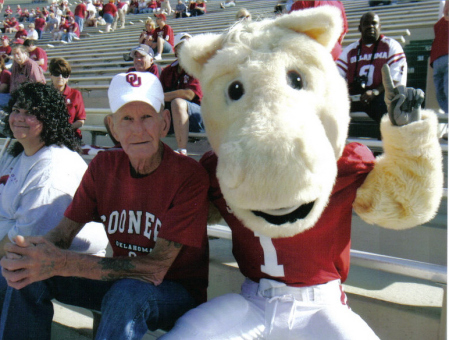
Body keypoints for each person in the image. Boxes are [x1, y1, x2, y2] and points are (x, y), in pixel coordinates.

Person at [0, 72, 209, 340]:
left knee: (127, 294)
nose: (137, 129)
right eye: (127, 119)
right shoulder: (104, 166)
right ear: (112, 126)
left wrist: (63, 262)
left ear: (164, 122)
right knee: (27, 271)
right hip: (119, 280)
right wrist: (35, 255)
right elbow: (62, 235)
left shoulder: (188, 175)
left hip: (173, 291)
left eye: (147, 117)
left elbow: (156, 269)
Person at [0, 82, 108, 308]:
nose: (19, 117)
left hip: (64, 263)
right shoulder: (18, 151)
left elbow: (25, 240)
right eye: (17, 110)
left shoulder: (53, 167)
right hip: (19, 250)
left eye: (30, 113)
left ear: (48, 119)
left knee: (17, 272)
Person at [336, 11, 407, 136]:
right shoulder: (350, 50)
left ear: (380, 26)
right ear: (360, 28)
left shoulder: (391, 46)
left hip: (379, 95)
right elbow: (335, 78)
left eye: (374, 23)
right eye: (366, 24)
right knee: (329, 108)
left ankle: (385, 149)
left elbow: (395, 80)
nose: (370, 27)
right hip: (354, 97)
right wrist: (343, 94)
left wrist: (374, 92)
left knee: (390, 110)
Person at [160, 33, 203, 155]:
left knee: (178, 102)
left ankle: (182, 151)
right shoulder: (167, 71)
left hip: (199, 116)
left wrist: (161, 97)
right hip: (175, 117)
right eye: (183, 46)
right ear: (176, 50)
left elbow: (189, 94)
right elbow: (158, 95)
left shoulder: (197, 67)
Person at [49, 57, 86, 140]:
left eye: (64, 74)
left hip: (70, 136)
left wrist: (64, 129)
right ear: (50, 75)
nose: (60, 77)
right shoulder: (44, 94)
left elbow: (80, 120)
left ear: (68, 77)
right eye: (56, 73)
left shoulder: (75, 94)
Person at [430, 0, 448, 113]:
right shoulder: (440, 23)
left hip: (445, 58)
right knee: (440, 93)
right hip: (437, 59)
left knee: (447, 90)